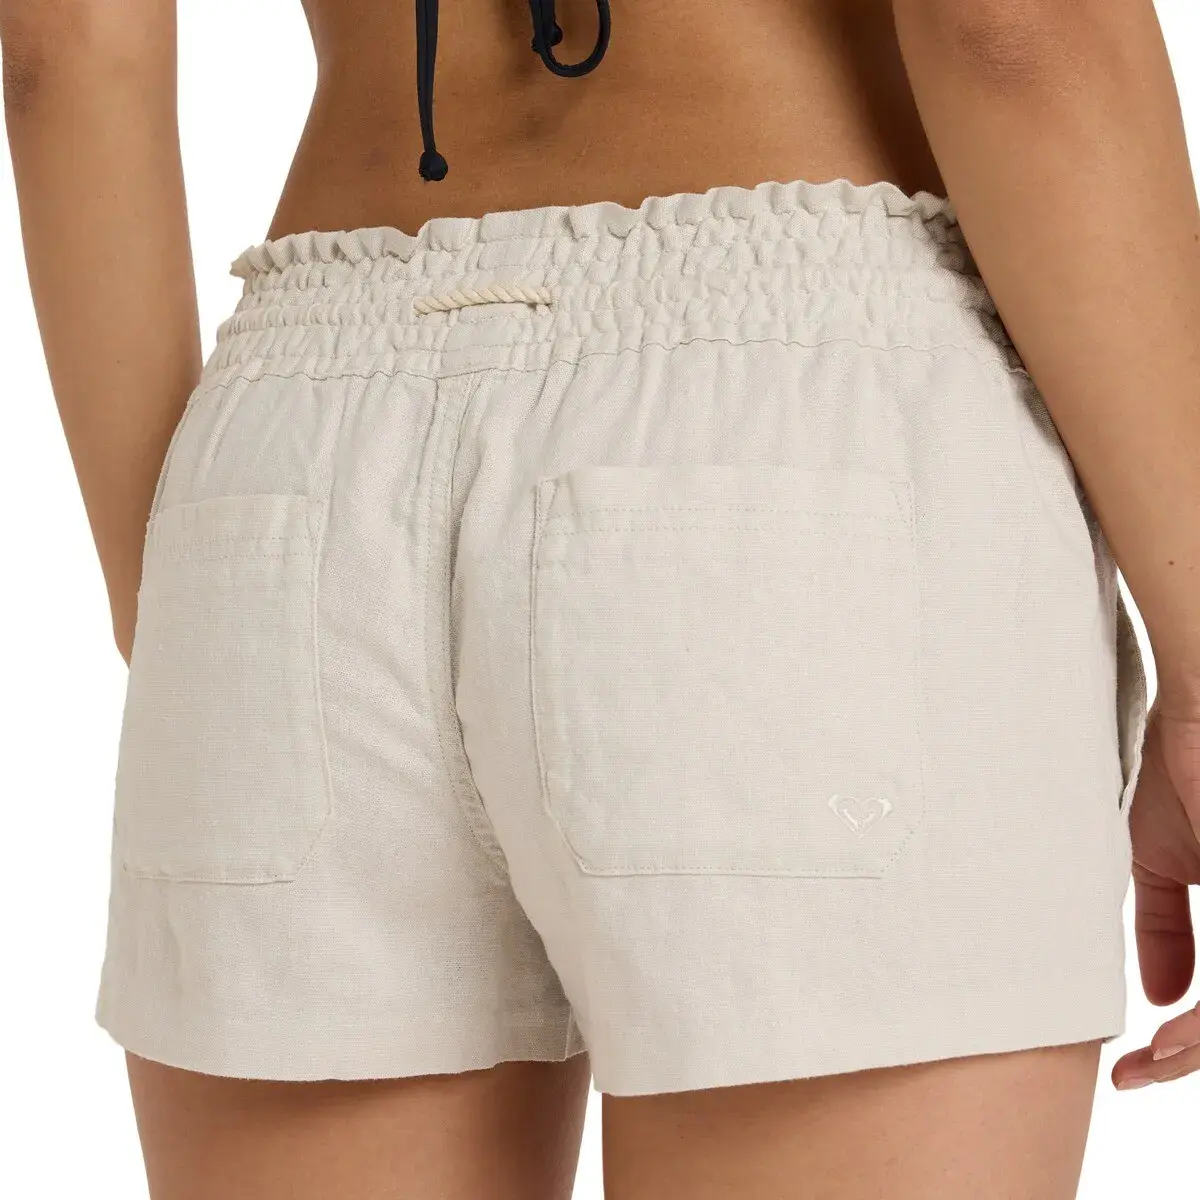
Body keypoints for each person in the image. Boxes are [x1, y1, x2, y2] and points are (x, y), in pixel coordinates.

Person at [3, 0, 1199, 1195]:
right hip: (791, 415)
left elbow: (65, 48)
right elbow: (1015, 30)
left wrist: (182, 588)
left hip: (296, 432)